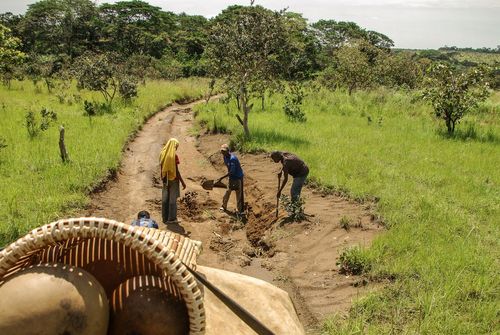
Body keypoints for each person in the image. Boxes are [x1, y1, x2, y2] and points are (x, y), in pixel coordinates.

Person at [159, 138, 186, 224]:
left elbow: (161, 167)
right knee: (172, 200)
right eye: (176, 146)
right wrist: (182, 182)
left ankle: (164, 218)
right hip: (173, 180)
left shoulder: (162, 153)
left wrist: (163, 177)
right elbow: (176, 171)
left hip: (165, 179)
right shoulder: (174, 156)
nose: (176, 148)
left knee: (165, 198)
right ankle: (172, 219)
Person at [217, 144, 244, 214]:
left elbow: (232, 171)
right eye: (222, 151)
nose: (223, 153)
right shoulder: (225, 157)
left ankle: (239, 210)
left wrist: (222, 178)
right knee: (227, 192)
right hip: (231, 177)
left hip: (238, 178)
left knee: (238, 194)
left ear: (228, 151)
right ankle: (224, 206)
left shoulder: (233, 159)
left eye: (224, 151)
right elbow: (229, 169)